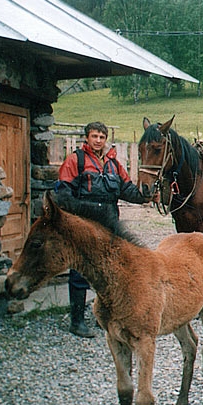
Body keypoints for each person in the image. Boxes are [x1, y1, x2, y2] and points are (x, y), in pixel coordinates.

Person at [56, 121, 150, 337]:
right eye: (94, 136)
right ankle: (77, 321)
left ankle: (103, 317)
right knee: (80, 271)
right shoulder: (75, 161)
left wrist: (145, 196)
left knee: (107, 271)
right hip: (84, 227)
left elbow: (126, 189)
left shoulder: (113, 164)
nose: (98, 140)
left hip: (109, 226)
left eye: (101, 137)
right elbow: (63, 195)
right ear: (86, 138)